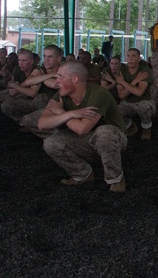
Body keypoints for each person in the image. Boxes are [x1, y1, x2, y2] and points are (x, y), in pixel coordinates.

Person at [38, 60, 127, 192]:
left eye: (60, 77)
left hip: (113, 140)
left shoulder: (99, 94)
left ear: (75, 79)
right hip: (85, 140)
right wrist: (71, 114)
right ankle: (82, 175)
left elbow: (82, 128)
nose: (57, 82)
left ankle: (116, 180)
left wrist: (62, 112)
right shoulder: (62, 94)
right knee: (51, 142)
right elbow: (42, 124)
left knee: (104, 132)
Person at [114, 48, 155, 139]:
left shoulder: (144, 71)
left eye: (133, 56)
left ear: (139, 59)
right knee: (116, 110)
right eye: (128, 56)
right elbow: (121, 95)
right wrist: (135, 81)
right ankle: (130, 126)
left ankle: (146, 128)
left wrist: (124, 83)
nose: (130, 58)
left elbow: (139, 92)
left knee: (145, 107)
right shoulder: (122, 71)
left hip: (143, 100)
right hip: (128, 102)